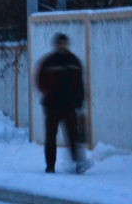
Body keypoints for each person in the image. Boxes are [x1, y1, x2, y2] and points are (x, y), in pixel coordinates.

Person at [35, 33, 91, 174]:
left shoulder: (74, 61)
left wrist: (79, 100)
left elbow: (79, 83)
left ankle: (78, 164)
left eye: (64, 43)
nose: (62, 46)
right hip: (52, 105)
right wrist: (49, 92)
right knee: (51, 136)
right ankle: (50, 166)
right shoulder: (48, 61)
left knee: (73, 135)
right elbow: (39, 81)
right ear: (55, 45)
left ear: (67, 44)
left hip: (69, 105)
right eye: (60, 43)